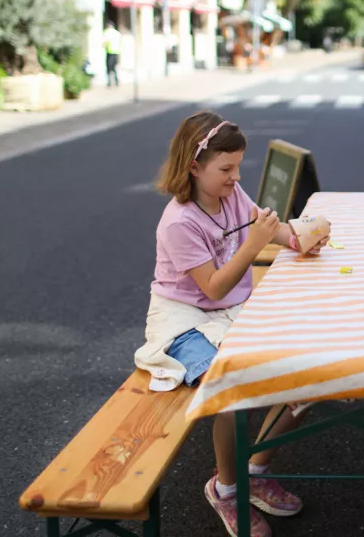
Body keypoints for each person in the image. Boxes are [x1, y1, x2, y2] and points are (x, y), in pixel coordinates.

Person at [135, 111, 330, 537]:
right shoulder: (179, 221)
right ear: (194, 166)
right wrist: (255, 243)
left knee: (306, 375)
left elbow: (271, 230)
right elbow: (214, 287)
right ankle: (225, 489)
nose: (236, 177)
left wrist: (300, 238)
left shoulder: (232, 195)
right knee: (230, 389)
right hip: (183, 321)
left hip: (229, 311)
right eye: (226, 169)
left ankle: (254, 470)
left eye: (238, 166)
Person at [103, 21, 121, 87]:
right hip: (117, 52)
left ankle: (109, 82)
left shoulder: (107, 32)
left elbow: (105, 42)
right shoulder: (117, 33)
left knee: (109, 67)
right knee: (115, 67)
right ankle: (116, 81)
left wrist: (103, 46)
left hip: (109, 52)